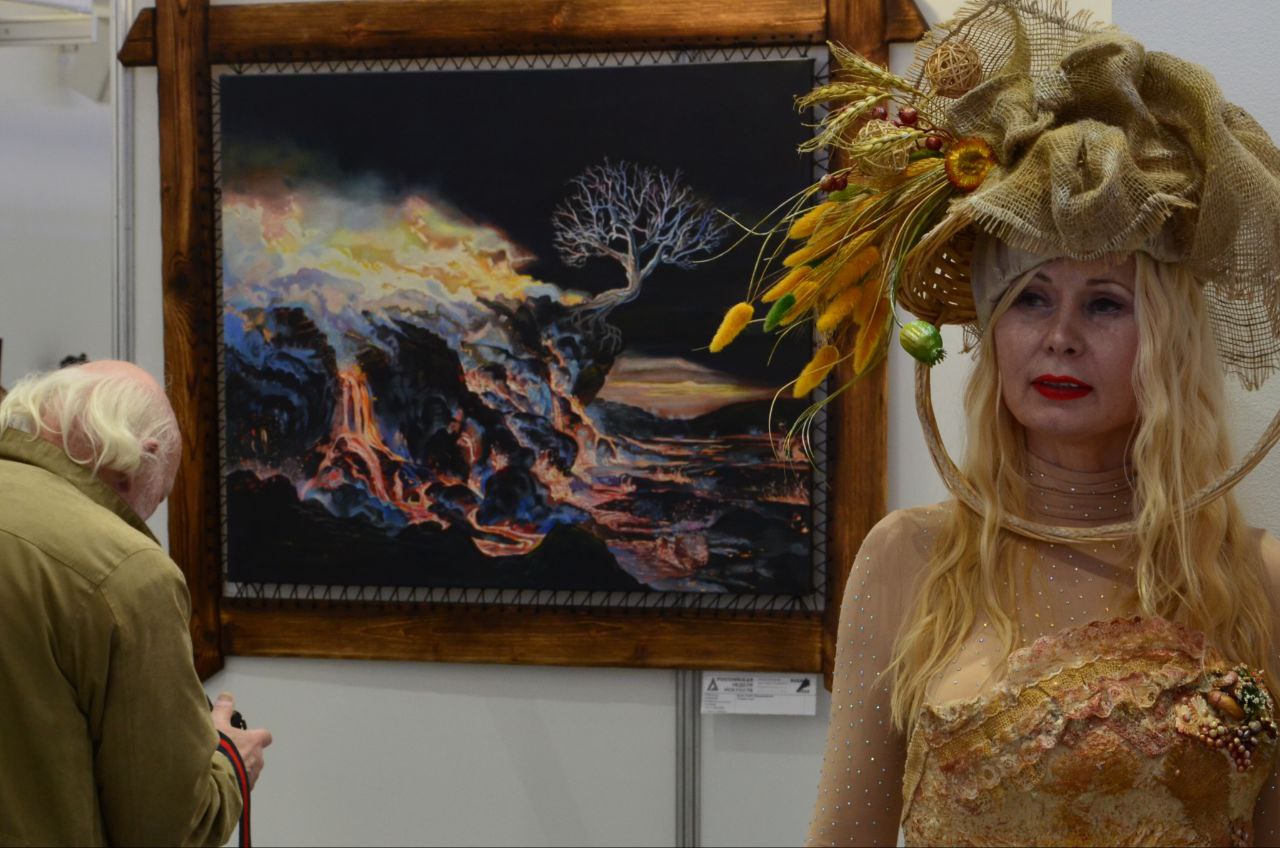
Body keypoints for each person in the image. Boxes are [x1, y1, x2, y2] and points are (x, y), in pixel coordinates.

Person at [704, 0, 1280, 844]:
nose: (1060, 337)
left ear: (1168, 341)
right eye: (1030, 298)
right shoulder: (910, 560)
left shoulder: (1255, 580)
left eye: (1105, 303)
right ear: (992, 325)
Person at [0, 360, 272, 846]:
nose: (148, 517)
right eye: (160, 497)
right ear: (141, 459)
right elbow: (169, 829)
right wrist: (232, 763)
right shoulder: (126, 570)